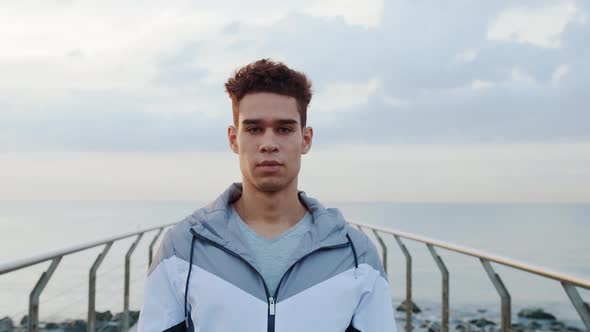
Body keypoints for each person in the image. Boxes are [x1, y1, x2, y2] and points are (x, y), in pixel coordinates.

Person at [138, 59, 396, 332]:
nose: (269, 144)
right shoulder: (183, 247)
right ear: (234, 139)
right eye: (253, 129)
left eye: (284, 129)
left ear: (305, 139)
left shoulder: (355, 254)